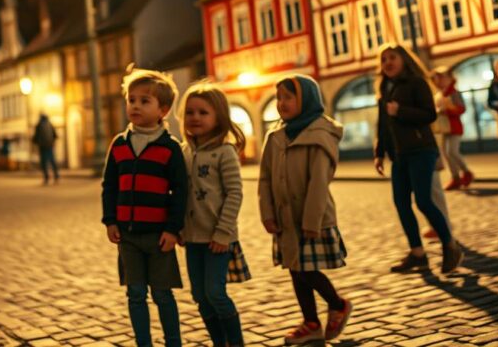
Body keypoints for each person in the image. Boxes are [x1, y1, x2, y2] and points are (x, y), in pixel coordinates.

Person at [260, 75, 353, 345]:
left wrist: (311, 221)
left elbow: (319, 183)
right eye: (279, 98)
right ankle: (311, 322)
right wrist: (267, 212)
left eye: (288, 97)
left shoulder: (320, 135)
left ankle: (337, 304)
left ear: (306, 99)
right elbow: (265, 177)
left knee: (307, 270)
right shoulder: (276, 135)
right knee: (294, 269)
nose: (281, 103)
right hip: (285, 218)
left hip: (312, 218)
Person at [101, 67, 188, 347]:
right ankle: (143, 342)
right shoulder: (119, 144)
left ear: (163, 109)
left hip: (159, 235)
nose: (135, 106)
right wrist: (110, 221)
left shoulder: (170, 147)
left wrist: (173, 230)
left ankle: (173, 341)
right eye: (132, 100)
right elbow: (109, 186)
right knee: (135, 293)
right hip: (127, 235)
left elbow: (180, 191)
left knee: (162, 294)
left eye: (144, 101)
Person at [373, 44, 463, 275]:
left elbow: (429, 115)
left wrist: (400, 111)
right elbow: (382, 125)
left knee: (423, 201)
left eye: (392, 58)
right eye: (384, 60)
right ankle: (417, 254)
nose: (388, 63)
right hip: (399, 154)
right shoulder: (384, 88)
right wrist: (379, 152)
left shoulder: (416, 83)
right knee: (401, 204)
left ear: (404, 60)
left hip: (421, 150)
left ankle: (450, 245)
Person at [178, 82, 245, 347]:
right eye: (190, 112)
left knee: (215, 293)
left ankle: (235, 342)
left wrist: (223, 232)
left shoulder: (224, 152)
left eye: (203, 112)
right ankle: (220, 342)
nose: (195, 118)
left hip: (218, 238)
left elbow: (234, 194)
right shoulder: (185, 152)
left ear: (219, 117)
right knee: (199, 295)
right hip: (193, 238)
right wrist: (181, 228)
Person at [431, 67, 474, 189]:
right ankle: (455, 177)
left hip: (454, 127)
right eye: (436, 79)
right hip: (444, 128)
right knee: (446, 153)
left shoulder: (454, 93)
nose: (438, 81)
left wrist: (448, 109)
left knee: (452, 151)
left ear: (449, 78)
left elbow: (461, 108)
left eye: (441, 77)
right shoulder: (439, 94)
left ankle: (466, 172)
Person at [33, 113, 60, 184]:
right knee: (52, 161)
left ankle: (46, 178)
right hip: (50, 146)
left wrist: (36, 142)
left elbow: (35, 137)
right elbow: (55, 135)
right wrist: (52, 142)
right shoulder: (50, 124)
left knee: (44, 163)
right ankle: (56, 176)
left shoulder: (38, 125)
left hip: (42, 147)